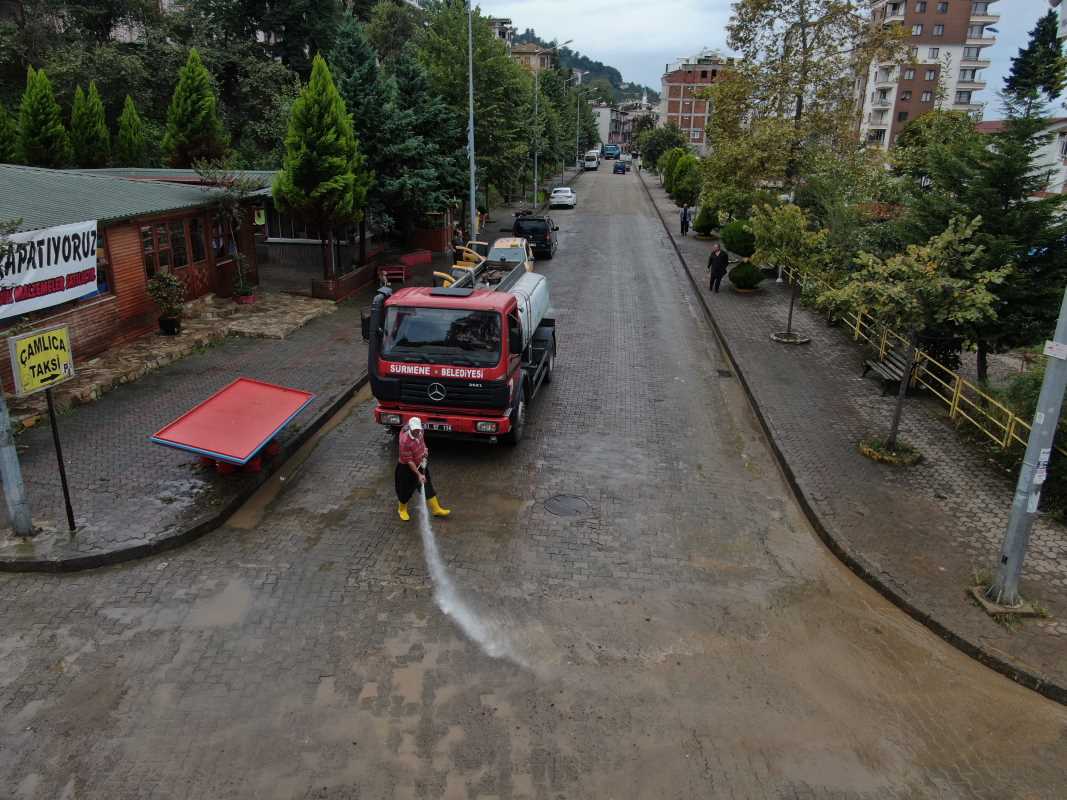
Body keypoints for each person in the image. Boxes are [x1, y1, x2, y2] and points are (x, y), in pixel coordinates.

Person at [395, 417, 450, 521]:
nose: (417, 432)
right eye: (415, 430)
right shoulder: (404, 441)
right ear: (410, 428)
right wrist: (419, 475)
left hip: (420, 463)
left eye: (418, 429)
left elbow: (422, 442)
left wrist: (425, 450)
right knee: (405, 489)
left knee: (427, 485)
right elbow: (409, 461)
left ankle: (436, 509)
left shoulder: (420, 431)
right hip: (406, 468)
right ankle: (402, 510)